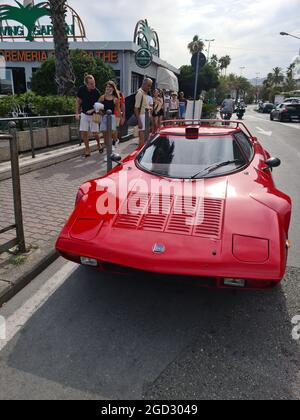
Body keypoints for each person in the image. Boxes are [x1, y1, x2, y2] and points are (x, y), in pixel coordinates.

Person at [76, 74, 103, 157]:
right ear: (86, 84)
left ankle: (99, 144)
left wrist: (92, 110)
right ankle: (87, 149)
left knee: (95, 133)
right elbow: (78, 101)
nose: (93, 85)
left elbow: (100, 105)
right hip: (84, 114)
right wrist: (77, 113)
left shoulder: (97, 92)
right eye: (91, 83)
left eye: (94, 83)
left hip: (94, 114)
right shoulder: (81, 89)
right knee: (84, 132)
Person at [100, 81, 120, 161]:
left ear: (113, 88)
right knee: (105, 136)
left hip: (111, 117)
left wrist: (119, 119)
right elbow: (97, 106)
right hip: (104, 117)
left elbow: (118, 110)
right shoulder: (102, 97)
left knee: (110, 134)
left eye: (110, 87)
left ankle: (110, 151)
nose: (108, 88)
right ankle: (108, 152)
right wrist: (98, 110)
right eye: (107, 86)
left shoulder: (115, 99)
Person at [134, 78, 153, 146]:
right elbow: (136, 108)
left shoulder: (143, 93)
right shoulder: (140, 93)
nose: (149, 88)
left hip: (145, 117)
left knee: (145, 139)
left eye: (150, 86)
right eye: (148, 85)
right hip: (142, 117)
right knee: (142, 140)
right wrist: (139, 121)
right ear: (144, 84)